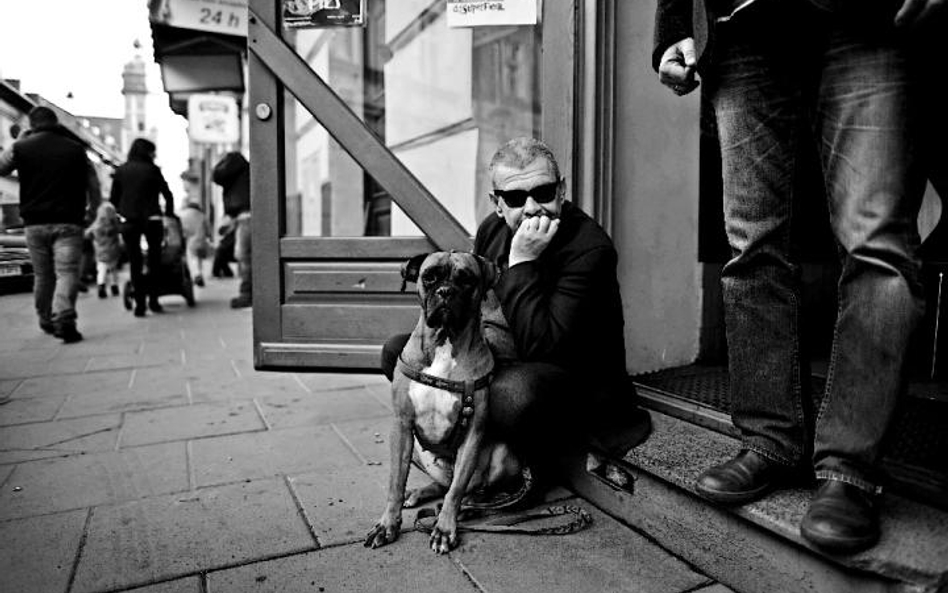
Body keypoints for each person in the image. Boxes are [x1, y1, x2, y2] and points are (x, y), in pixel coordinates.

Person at [654, 0, 940, 553]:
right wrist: (672, 27)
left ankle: (849, 470)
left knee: (875, 245)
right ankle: (771, 438)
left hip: (868, 20)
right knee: (749, 247)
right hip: (743, 27)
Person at [381, 137, 652, 474]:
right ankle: (467, 451)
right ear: (497, 203)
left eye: (543, 193)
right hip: (501, 355)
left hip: (572, 382)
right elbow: (473, 310)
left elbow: (544, 346)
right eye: (514, 198)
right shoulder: (491, 229)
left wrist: (522, 262)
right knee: (398, 352)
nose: (531, 208)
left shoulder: (590, 249)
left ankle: (518, 462)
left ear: (562, 190)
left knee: (510, 394)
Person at [0, 106, 101, 343]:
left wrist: (19, 141)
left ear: (32, 126)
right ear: (56, 123)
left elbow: (1, 168)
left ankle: (46, 318)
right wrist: (92, 212)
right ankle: (64, 316)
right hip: (69, 221)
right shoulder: (76, 150)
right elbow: (93, 186)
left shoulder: (21, 148)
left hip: (35, 223)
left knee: (43, 274)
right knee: (66, 272)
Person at [111, 138, 174, 317]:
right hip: (152, 220)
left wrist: (123, 210)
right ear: (147, 152)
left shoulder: (121, 170)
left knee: (135, 263)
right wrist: (169, 214)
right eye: (152, 151)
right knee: (154, 261)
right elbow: (167, 194)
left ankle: (140, 304)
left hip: (130, 222)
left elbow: (114, 198)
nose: (154, 155)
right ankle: (153, 300)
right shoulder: (152, 170)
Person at [212, 151, 251, 309]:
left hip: (246, 218)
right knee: (246, 257)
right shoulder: (245, 173)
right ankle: (250, 292)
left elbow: (217, 175)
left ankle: (247, 293)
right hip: (245, 218)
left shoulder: (234, 173)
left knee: (244, 256)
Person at [177, 171, 210, 288]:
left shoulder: (185, 212)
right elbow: (207, 226)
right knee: (198, 258)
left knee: (192, 257)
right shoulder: (201, 215)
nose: (183, 185)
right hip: (201, 240)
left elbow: (181, 227)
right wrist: (209, 236)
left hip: (191, 240)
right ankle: (199, 274)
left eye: (184, 182)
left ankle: (196, 275)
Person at [85, 201, 122, 298]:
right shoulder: (114, 225)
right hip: (113, 250)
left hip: (100, 251)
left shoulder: (97, 225)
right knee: (113, 269)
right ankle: (114, 286)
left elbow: (87, 234)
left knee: (101, 269)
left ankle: (101, 286)